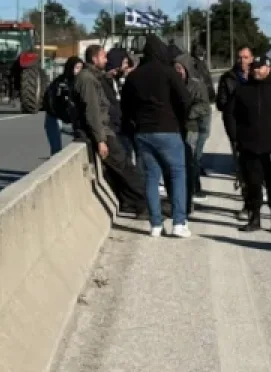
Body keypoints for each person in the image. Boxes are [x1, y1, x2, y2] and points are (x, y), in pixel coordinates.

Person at [120, 34, 192, 238]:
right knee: (178, 174)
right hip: (169, 130)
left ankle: (156, 225)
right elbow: (185, 99)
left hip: (143, 132)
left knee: (152, 177)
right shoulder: (169, 73)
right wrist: (180, 120)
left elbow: (125, 106)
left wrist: (135, 123)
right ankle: (179, 222)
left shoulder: (133, 76)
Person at [224, 56, 271, 234]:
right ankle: (254, 217)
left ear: (268, 69)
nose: (257, 70)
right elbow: (229, 114)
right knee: (253, 183)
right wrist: (235, 136)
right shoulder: (242, 91)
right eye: (254, 68)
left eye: (261, 68)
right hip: (249, 146)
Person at [71, 52, 147, 219]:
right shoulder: (87, 80)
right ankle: (144, 203)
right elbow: (93, 111)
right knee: (126, 168)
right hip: (103, 133)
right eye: (103, 57)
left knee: (120, 169)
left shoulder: (94, 77)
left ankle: (130, 202)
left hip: (106, 130)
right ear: (94, 59)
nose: (106, 60)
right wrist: (101, 140)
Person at [176, 49, 210, 205]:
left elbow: (204, 106)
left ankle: (193, 190)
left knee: (191, 161)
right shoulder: (174, 84)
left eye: (180, 69)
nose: (178, 72)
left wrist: (188, 112)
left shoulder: (197, 85)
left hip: (192, 128)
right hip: (176, 128)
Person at [217, 46, 253, 191]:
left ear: (251, 58)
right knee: (240, 160)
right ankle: (246, 192)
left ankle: (256, 187)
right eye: (239, 57)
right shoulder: (227, 78)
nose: (242, 60)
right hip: (236, 125)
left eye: (245, 57)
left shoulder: (257, 76)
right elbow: (221, 103)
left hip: (255, 124)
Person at [189, 43, 216, 173]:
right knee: (200, 135)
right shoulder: (197, 65)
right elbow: (205, 83)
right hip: (201, 104)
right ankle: (195, 164)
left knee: (202, 135)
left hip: (203, 102)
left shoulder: (199, 63)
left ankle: (196, 163)